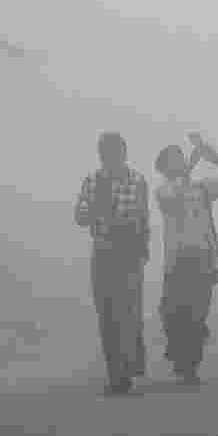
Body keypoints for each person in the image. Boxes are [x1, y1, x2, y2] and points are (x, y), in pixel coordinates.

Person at [154, 134, 218, 385]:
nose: (180, 161)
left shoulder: (201, 188)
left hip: (201, 258)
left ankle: (190, 365)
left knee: (197, 314)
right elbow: (174, 198)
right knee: (172, 313)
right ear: (164, 168)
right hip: (176, 260)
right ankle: (181, 359)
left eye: (181, 157)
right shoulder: (164, 190)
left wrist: (216, 159)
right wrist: (192, 164)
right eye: (174, 159)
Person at [74, 131, 150, 395]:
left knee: (127, 312)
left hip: (128, 254)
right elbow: (80, 216)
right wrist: (102, 214)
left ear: (124, 153)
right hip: (104, 252)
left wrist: (103, 216)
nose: (112, 157)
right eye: (107, 152)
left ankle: (126, 368)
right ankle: (116, 372)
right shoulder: (92, 180)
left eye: (116, 151)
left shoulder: (137, 180)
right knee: (107, 313)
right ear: (101, 154)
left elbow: (138, 217)